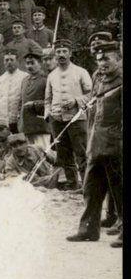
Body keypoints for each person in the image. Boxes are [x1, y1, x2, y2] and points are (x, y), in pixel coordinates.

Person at [67, 41, 122, 246]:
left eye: (106, 58)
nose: (101, 62)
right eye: (98, 59)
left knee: (120, 188)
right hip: (96, 141)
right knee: (91, 188)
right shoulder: (98, 77)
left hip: (116, 143)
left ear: (118, 57)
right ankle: (88, 229)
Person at [44, 39, 91, 190]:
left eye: (65, 51)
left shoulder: (81, 72)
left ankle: (87, 185)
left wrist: (76, 101)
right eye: (58, 52)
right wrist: (48, 114)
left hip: (76, 119)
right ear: (55, 55)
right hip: (57, 119)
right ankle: (72, 184)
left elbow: (92, 94)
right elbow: (47, 99)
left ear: (70, 53)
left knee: (81, 153)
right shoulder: (51, 75)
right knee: (64, 154)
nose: (61, 54)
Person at [0, 48, 29, 133]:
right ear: (3, 62)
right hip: (3, 120)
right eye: (6, 60)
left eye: (12, 60)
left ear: (17, 61)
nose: (9, 62)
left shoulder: (25, 77)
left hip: (18, 120)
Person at [19, 49, 50, 151]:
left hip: (40, 125)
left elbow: (51, 102)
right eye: (27, 63)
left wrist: (34, 104)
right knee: (30, 154)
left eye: (32, 63)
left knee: (44, 153)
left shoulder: (46, 79)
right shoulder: (24, 80)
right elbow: (21, 101)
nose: (29, 66)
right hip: (26, 126)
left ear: (40, 63)